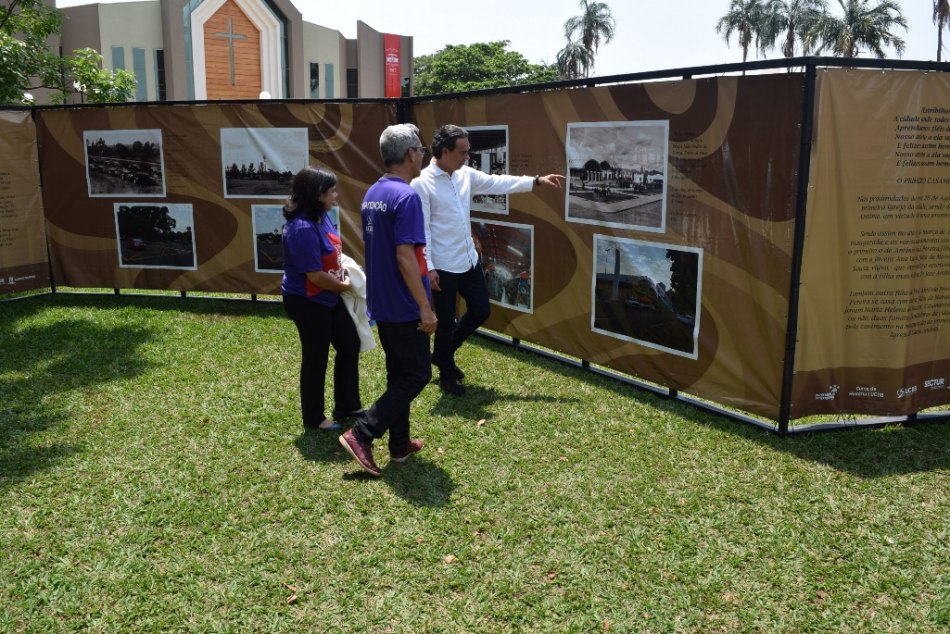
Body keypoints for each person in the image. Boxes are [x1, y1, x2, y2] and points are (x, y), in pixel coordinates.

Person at [411, 124, 565, 395]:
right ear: (444, 151)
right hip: (443, 267)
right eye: (462, 152)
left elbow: (498, 182)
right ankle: (447, 374)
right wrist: (430, 267)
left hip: (468, 260)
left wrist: (536, 181)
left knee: (481, 309)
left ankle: (443, 355)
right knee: (445, 322)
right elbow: (422, 230)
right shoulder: (422, 184)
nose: (467, 157)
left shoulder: (465, 175)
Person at [338, 124, 437, 477]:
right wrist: (425, 307)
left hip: (384, 301)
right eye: (421, 149)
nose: (422, 155)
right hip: (405, 304)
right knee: (419, 373)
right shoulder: (406, 197)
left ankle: (399, 444)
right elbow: (405, 256)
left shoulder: (373, 193)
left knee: (399, 373)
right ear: (410, 154)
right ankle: (363, 433)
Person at [281, 166, 364, 432]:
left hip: (328, 295)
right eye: (331, 192)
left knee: (349, 344)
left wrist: (343, 275)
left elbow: (331, 254)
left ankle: (347, 405)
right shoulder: (302, 228)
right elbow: (314, 276)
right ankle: (314, 418)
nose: (336, 196)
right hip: (307, 300)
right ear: (317, 195)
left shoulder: (321, 216)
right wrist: (343, 285)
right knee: (316, 356)